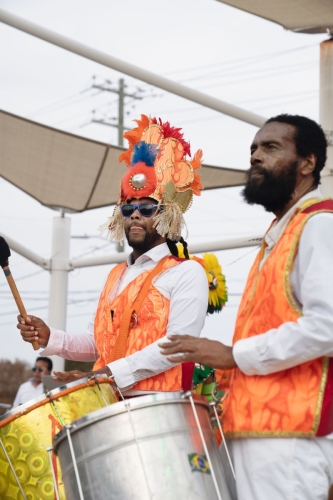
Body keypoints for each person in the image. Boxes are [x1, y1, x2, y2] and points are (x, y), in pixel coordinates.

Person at [159, 114, 333, 500]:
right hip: (260, 433)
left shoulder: (319, 224)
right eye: (253, 148)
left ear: (308, 162)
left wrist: (233, 355)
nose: (255, 156)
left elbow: (328, 326)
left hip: (291, 437)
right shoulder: (282, 232)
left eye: (271, 148)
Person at [17, 115, 210, 396]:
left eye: (146, 209)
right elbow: (100, 343)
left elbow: (178, 345)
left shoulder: (186, 272)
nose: (134, 215)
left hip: (161, 409)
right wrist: (51, 338)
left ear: (167, 214)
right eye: (127, 209)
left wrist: (107, 374)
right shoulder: (115, 274)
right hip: (109, 405)